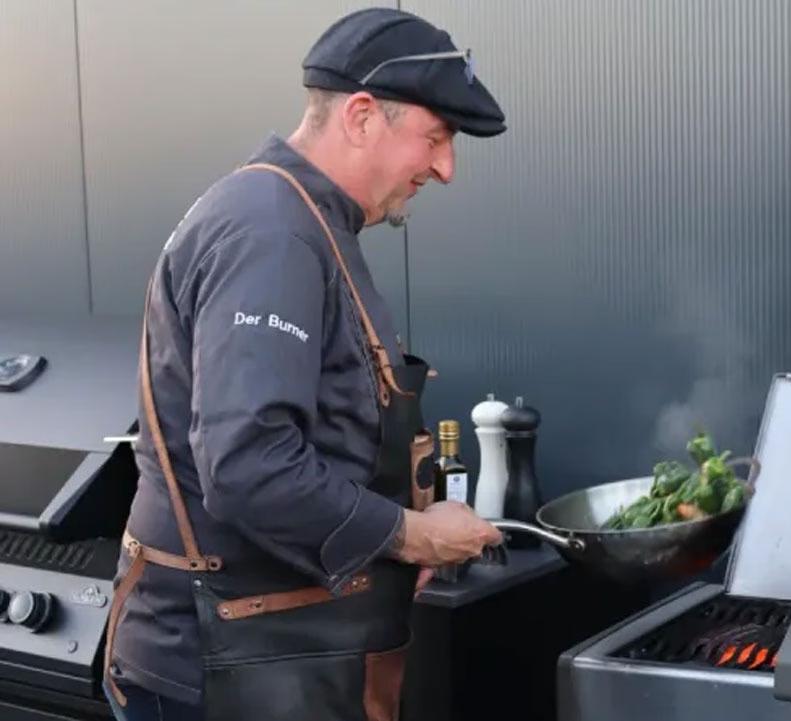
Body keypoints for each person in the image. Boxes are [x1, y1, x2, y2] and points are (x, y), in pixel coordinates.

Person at [103, 8, 507, 721]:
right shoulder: (273, 232)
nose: (445, 169)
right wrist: (411, 535)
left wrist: (388, 538)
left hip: (281, 663)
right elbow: (249, 464)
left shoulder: (303, 221)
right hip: (226, 676)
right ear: (360, 115)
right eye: (437, 138)